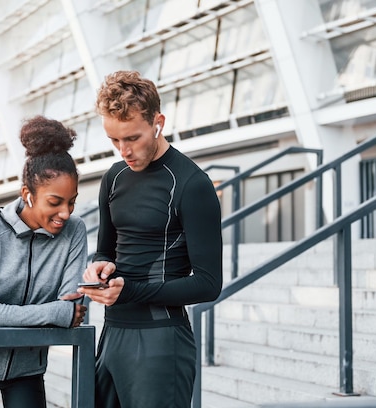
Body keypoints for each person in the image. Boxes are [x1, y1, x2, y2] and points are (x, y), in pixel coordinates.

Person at [79, 70, 223, 408]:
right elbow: (106, 249)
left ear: (158, 122)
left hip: (161, 342)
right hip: (112, 334)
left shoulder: (192, 184)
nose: (123, 150)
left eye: (133, 138)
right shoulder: (113, 178)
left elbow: (208, 283)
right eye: (114, 140)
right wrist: (98, 267)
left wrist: (130, 290)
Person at [0, 115, 88, 408]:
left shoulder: (75, 232)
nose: (65, 212)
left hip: (27, 369)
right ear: (28, 194)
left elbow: (72, 308)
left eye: (71, 202)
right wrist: (54, 312)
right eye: (54, 202)